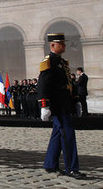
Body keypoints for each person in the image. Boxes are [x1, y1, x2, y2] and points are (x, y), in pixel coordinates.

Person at [38, 33, 86, 179]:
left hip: (65, 103)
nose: (64, 46)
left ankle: (50, 164)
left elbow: (69, 83)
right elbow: (43, 84)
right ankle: (72, 168)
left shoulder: (62, 62)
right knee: (68, 134)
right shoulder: (49, 61)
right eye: (61, 43)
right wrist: (44, 105)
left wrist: (76, 100)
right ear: (52, 45)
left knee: (58, 134)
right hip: (57, 105)